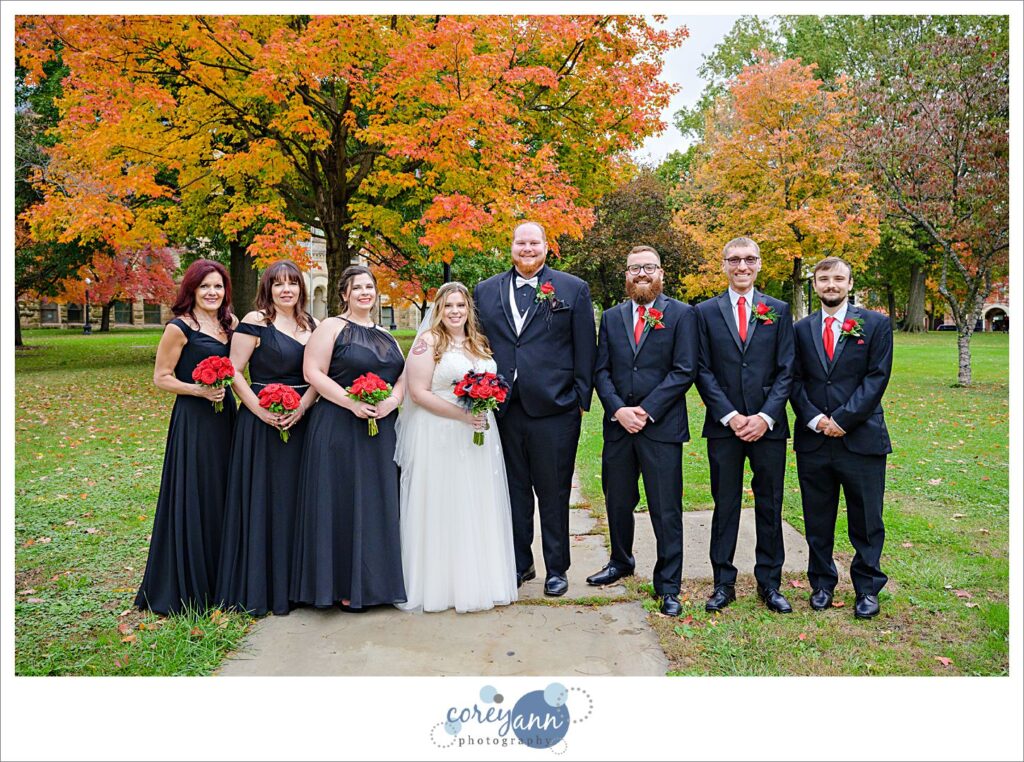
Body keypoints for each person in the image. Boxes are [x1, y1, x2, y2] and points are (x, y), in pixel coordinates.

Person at [473, 221, 596, 597]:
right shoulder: (486, 290)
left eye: (534, 242)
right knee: (512, 491)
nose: (527, 248)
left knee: (554, 491)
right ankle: (520, 563)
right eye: (520, 242)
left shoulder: (572, 289)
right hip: (503, 408)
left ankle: (556, 568)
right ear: (511, 246)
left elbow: (585, 348)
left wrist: (579, 400)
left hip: (556, 408)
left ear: (546, 246)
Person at [394, 282, 518, 613]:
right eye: (448, 306)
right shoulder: (427, 343)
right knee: (443, 503)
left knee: (474, 502)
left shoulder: (477, 342)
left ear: (468, 309)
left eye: (460, 305)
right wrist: (463, 415)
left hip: (477, 434)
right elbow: (418, 393)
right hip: (440, 433)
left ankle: (479, 580)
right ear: (438, 309)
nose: (454, 312)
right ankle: (439, 586)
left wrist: (481, 408)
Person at [587, 246, 697, 616]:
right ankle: (621, 561)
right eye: (635, 268)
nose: (642, 274)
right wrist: (618, 409)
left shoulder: (681, 314)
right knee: (617, 501)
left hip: (661, 428)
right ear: (627, 274)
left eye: (649, 267)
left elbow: (684, 370)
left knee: (666, 509)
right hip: (619, 428)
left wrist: (645, 412)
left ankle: (668, 585)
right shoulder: (614, 317)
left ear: (661, 273)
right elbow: (601, 369)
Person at [291, 265, 406, 611]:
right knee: (341, 502)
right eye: (357, 288)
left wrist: (392, 401)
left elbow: (403, 376)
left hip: (381, 429)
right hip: (338, 427)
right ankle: (340, 585)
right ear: (344, 294)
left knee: (376, 503)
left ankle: (375, 584)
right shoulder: (331, 327)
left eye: (369, 287)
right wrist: (350, 402)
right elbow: (312, 372)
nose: (364, 293)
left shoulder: (385, 334)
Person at [693, 237, 795, 614]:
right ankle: (723, 582)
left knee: (770, 502)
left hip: (769, 427)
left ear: (759, 263)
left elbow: (787, 369)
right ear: (723, 264)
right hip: (725, 426)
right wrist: (732, 416)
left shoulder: (778, 310)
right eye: (734, 259)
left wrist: (765, 417)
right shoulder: (704, 312)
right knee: (726, 503)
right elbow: (701, 369)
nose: (742, 266)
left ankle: (770, 583)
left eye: (749, 259)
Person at [790, 256, 893, 619]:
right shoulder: (800, 330)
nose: (830, 285)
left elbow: (877, 378)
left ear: (850, 283)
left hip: (861, 439)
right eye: (823, 279)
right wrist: (816, 419)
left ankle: (867, 588)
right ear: (814, 285)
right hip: (815, 440)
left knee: (866, 520)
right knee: (817, 518)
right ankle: (821, 583)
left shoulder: (876, 325)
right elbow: (794, 380)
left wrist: (844, 419)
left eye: (838, 279)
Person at [216, 261, 319, 617]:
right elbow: (234, 371)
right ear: (268, 288)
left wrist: (303, 407)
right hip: (261, 424)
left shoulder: (314, 325)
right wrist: (260, 410)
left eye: (292, 283)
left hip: (303, 423)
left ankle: (299, 586)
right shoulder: (255, 321)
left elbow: (317, 376)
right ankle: (264, 586)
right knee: (267, 500)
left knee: (298, 502)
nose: (286, 290)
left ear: (301, 288)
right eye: (279, 284)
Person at [135, 259, 238, 615]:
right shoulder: (179, 328)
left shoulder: (230, 325)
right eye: (205, 286)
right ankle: (189, 583)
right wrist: (198, 390)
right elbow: (161, 377)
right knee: (197, 493)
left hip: (226, 417)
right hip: (194, 420)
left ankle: (223, 578)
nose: (212, 293)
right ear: (191, 290)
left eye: (218, 286)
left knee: (225, 491)